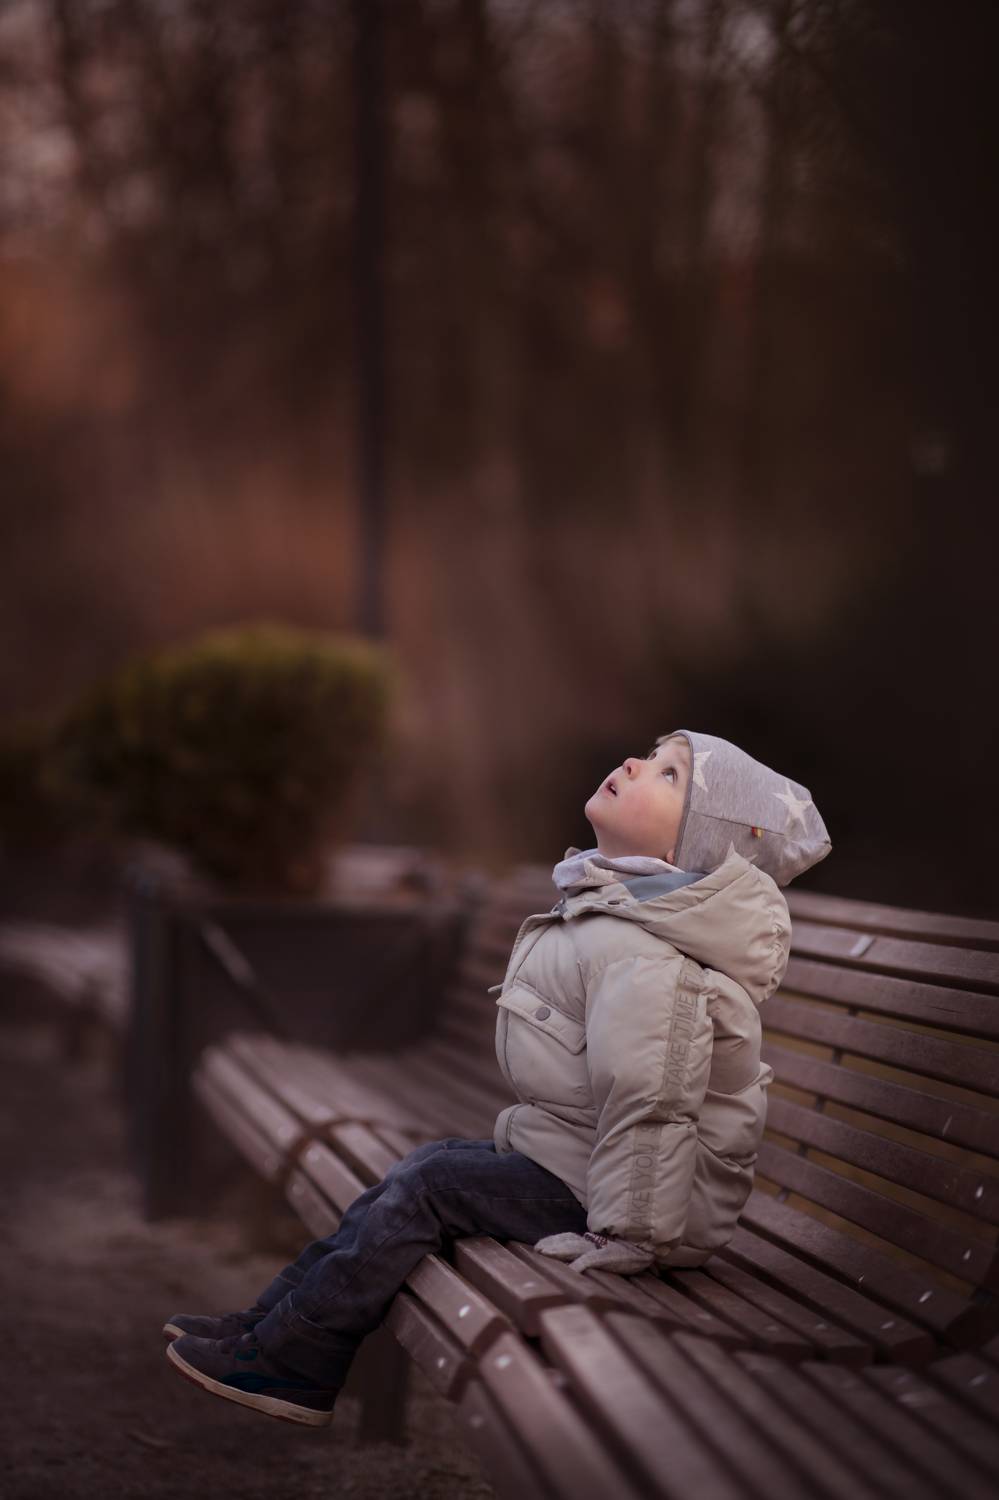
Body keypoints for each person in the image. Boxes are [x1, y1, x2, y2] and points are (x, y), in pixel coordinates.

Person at [164, 728, 832, 1427]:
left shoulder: (650, 957)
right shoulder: (621, 913)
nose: (636, 763)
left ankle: (295, 1359)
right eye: (653, 756)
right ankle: (267, 1329)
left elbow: (652, 1098)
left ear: (682, 855)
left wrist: (628, 1233)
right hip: (594, 1171)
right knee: (421, 1170)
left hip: (637, 1204)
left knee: (429, 1186)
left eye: (670, 776)